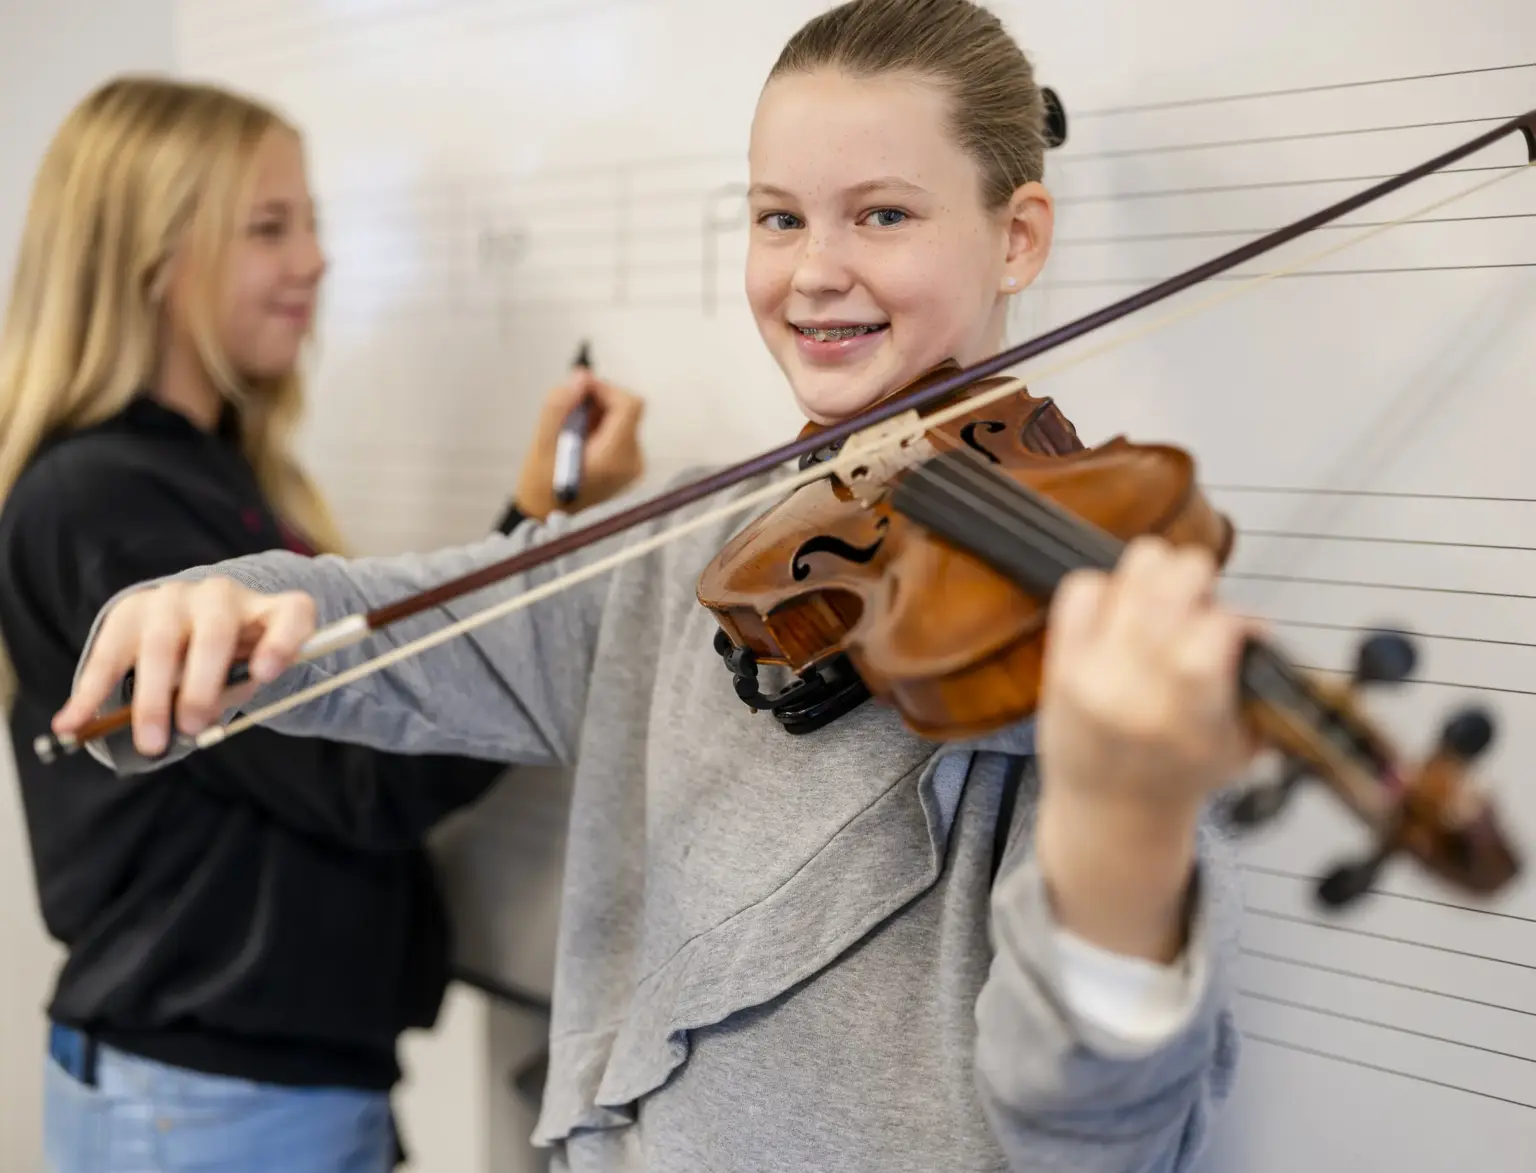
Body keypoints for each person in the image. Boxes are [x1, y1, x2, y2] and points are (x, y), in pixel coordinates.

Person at [54, 3, 1252, 1170]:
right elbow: (416, 621)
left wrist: (1123, 838)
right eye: (778, 219)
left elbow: (1102, 1135)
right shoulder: (699, 540)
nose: (815, 272)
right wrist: (231, 599)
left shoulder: (1082, 615)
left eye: (883, 214)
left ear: (1018, 236)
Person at [0, 76, 644, 1172]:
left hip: (254, 1088)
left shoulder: (205, 475)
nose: (314, 260)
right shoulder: (105, 497)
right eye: (267, 227)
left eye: (309, 223)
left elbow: (357, 692)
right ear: (151, 259)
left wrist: (536, 518)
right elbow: (362, 773)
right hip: (213, 1101)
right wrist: (544, 543)